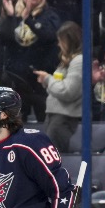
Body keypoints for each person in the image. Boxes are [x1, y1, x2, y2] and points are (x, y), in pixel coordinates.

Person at [0, 0, 60, 122]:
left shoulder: (50, 15)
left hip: (40, 80)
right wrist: (10, 16)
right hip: (17, 80)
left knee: (44, 120)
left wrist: (29, 19)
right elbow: (3, 38)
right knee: (15, 123)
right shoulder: (15, 15)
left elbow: (48, 36)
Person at [34, 21, 83, 154]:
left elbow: (68, 91)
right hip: (54, 117)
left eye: (61, 41)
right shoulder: (67, 61)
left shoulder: (79, 61)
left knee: (53, 158)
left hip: (62, 119)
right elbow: (59, 87)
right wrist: (46, 81)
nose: (58, 44)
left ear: (70, 40)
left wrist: (48, 79)